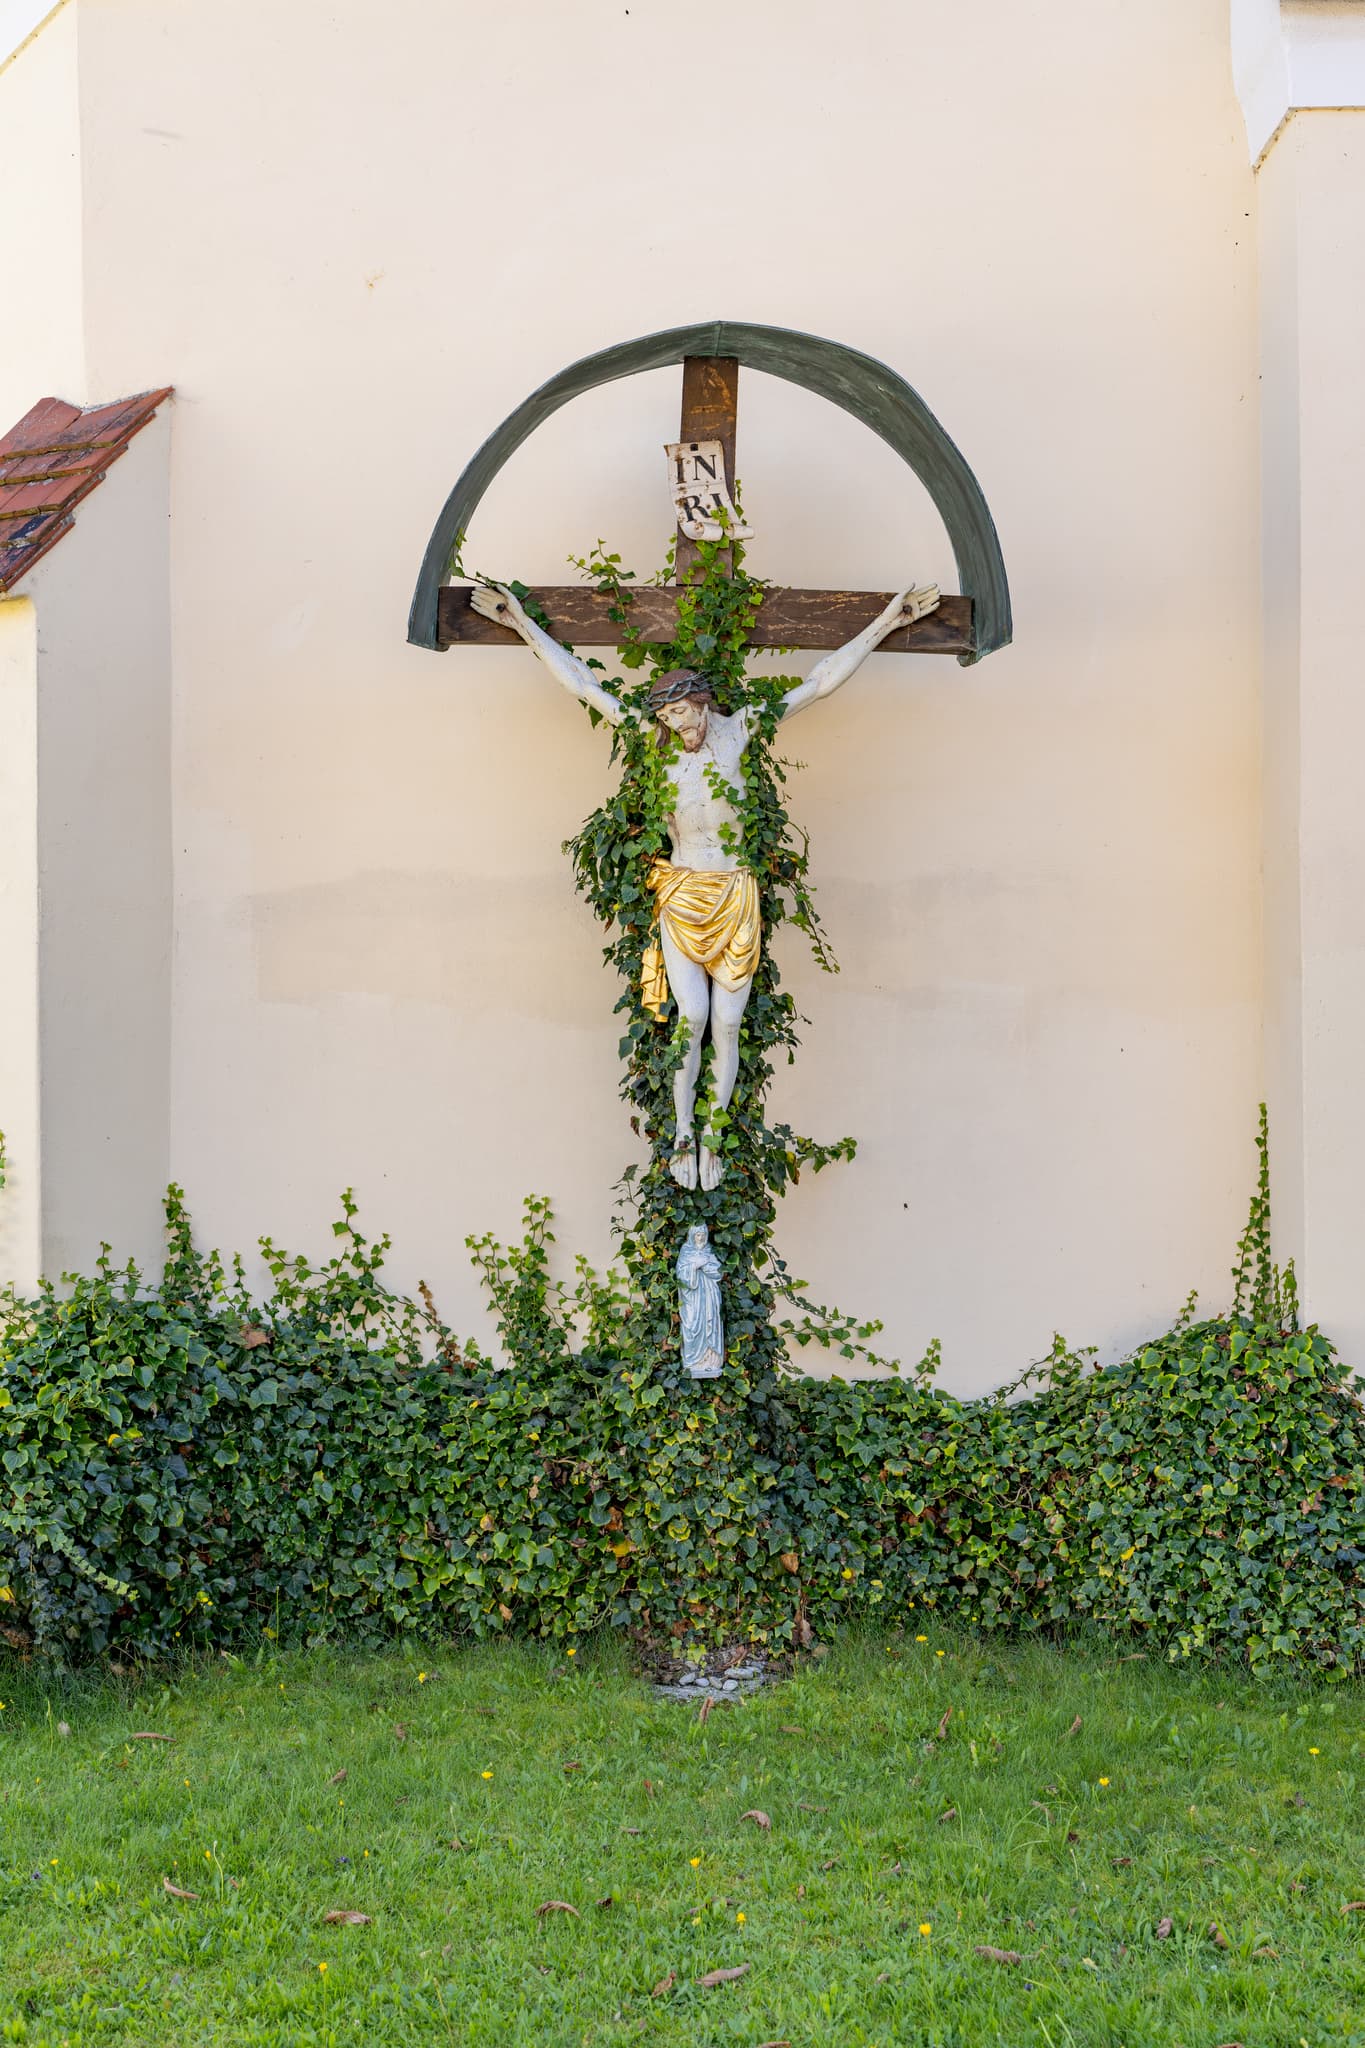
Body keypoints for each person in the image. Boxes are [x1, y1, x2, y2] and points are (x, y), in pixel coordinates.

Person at [469, 577, 939, 1188]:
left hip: (735, 893)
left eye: (682, 714)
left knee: (728, 1025)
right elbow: (585, 684)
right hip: (685, 892)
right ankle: (684, 1131)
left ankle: (715, 1131)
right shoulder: (658, 744)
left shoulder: (739, 730)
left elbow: (819, 682)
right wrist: (521, 624)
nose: (677, 726)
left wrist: (888, 621)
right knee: (690, 1017)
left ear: (702, 703)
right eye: (667, 717)